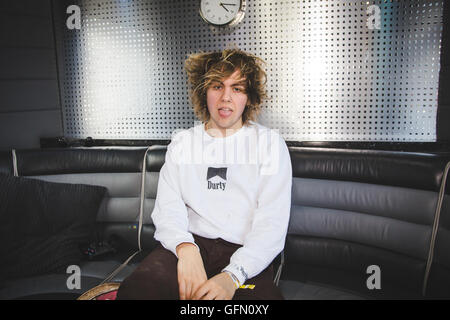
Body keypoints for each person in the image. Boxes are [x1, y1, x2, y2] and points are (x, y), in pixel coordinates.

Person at [116, 48, 292, 300]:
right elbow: (168, 208)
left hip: (245, 253)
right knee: (139, 291)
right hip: (190, 244)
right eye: (217, 86)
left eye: (237, 88)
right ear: (203, 92)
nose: (226, 98)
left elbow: (271, 226)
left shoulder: (270, 145)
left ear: (249, 96)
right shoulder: (182, 143)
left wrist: (233, 275)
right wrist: (186, 249)